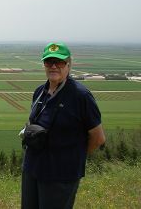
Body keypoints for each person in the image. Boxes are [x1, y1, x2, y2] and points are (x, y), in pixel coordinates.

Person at [21, 42, 106, 209]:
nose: (53, 66)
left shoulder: (80, 96)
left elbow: (98, 138)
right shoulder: (40, 91)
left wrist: (72, 158)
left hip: (60, 175)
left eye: (59, 62)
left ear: (68, 65)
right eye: (48, 62)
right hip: (33, 168)